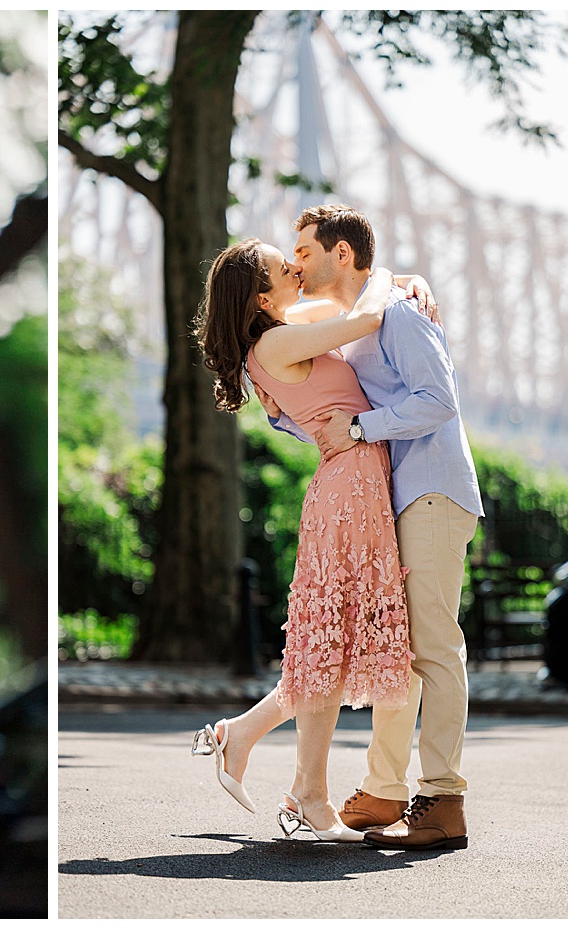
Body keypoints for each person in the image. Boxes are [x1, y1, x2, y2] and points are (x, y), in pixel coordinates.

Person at [260, 204, 483, 852]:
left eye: (304, 249)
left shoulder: (402, 312)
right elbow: (331, 405)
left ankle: (443, 797)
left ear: (343, 255)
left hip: (432, 490)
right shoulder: (348, 326)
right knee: (401, 646)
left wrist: (360, 429)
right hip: (398, 498)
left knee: (434, 646)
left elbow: (439, 398)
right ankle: (385, 788)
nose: (295, 261)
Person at [190, 235, 409, 843]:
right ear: (261, 294)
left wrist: (397, 291)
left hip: (351, 485)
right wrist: (389, 273)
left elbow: (343, 313)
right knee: (330, 646)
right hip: (349, 492)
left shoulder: (283, 330)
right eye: (280, 267)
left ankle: (264, 754)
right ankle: (305, 790)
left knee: (329, 647)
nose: (294, 267)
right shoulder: (277, 342)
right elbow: (365, 314)